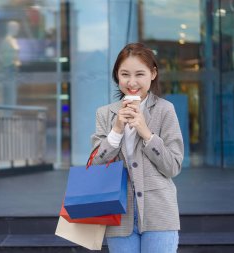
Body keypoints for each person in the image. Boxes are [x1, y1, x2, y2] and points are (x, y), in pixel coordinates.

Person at [90, 43, 184, 253]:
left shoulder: (165, 110)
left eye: (139, 74)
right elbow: (95, 163)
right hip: (118, 213)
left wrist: (146, 133)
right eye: (125, 74)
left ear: (152, 74)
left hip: (159, 212)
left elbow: (173, 166)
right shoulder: (105, 114)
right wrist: (116, 130)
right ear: (117, 76)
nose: (132, 82)